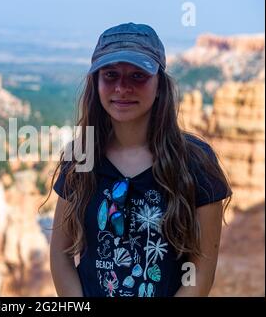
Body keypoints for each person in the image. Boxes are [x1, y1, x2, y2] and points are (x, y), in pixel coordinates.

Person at [46, 22, 232, 297]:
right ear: (96, 83)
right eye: (110, 75)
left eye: (137, 76)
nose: (122, 88)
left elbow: (200, 272)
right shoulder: (81, 158)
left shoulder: (196, 163)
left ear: (159, 85)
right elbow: (61, 256)